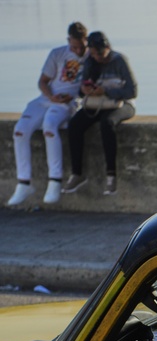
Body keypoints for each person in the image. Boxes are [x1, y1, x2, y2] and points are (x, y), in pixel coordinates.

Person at [7, 22, 88, 207]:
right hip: (47, 98)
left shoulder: (91, 55)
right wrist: (51, 95)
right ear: (69, 40)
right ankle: (24, 182)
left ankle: (55, 180)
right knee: (20, 130)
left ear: (86, 41)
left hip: (68, 102)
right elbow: (43, 81)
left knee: (50, 127)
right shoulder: (57, 53)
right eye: (74, 46)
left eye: (81, 46)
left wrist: (71, 96)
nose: (77, 50)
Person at [62, 31, 137, 197]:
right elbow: (82, 91)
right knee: (74, 125)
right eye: (94, 54)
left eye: (100, 53)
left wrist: (106, 91)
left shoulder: (119, 60)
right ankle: (77, 173)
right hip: (96, 104)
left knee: (107, 123)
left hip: (121, 104)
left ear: (108, 48)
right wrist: (85, 90)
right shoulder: (90, 62)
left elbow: (132, 91)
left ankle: (111, 176)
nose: (97, 57)